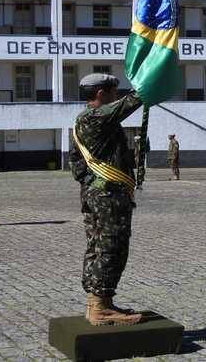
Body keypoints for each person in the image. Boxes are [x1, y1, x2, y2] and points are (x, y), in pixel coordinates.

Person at [69, 73, 143, 326]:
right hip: (107, 194)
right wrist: (153, 80)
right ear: (101, 93)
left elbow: (76, 163)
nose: (116, 96)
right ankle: (100, 306)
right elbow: (133, 101)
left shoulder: (85, 120)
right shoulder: (95, 117)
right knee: (111, 247)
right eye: (113, 91)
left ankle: (99, 302)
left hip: (97, 192)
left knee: (98, 246)